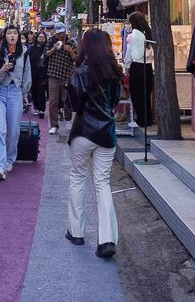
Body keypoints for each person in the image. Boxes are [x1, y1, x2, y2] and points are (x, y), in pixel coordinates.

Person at [66, 29, 122, 259]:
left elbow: (74, 105)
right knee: (102, 183)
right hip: (106, 134)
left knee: (78, 178)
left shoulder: (79, 73)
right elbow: (115, 103)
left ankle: (76, 232)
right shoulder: (115, 73)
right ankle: (107, 239)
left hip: (83, 132)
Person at [0, 26, 32, 181]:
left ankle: (9, 159)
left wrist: (24, 93)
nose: (12, 35)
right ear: (4, 36)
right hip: (0, 91)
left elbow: (27, 74)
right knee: (0, 129)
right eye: (9, 33)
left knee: (14, 130)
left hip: (16, 92)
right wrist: (2, 70)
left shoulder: (24, 54)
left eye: (15, 33)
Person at [45, 22, 77, 135]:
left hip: (66, 75)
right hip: (53, 74)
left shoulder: (71, 43)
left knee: (67, 100)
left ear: (65, 32)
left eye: (61, 33)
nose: (60, 36)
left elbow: (76, 59)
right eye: (58, 33)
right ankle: (54, 125)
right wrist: (54, 49)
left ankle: (68, 119)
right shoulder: (51, 41)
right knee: (53, 101)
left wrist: (70, 51)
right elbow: (45, 55)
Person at [125, 12, 154, 128]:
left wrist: (127, 66)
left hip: (137, 66)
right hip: (148, 67)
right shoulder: (148, 33)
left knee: (137, 94)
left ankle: (141, 120)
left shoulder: (134, 35)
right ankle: (148, 119)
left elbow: (130, 52)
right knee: (146, 94)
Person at [28, 31, 48, 117]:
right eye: (40, 37)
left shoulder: (47, 49)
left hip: (43, 74)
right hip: (32, 73)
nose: (41, 39)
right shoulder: (31, 48)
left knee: (41, 91)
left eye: (43, 37)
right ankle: (36, 107)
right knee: (34, 90)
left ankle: (41, 110)